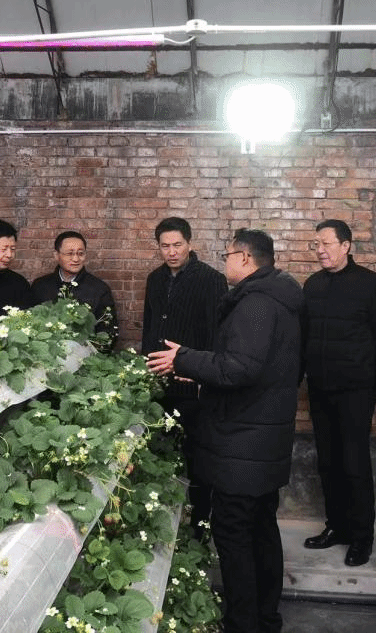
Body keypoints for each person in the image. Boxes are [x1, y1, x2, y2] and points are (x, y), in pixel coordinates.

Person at [146, 228, 303, 633]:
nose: (225, 261)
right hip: (261, 436)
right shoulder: (278, 298)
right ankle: (266, 618)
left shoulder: (256, 304)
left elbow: (240, 367)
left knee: (235, 534)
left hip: (243, 443)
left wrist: (185, 359)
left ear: (246, 258)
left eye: (228, 254)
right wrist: (201, 372)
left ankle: (243, 623)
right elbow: (253, 367)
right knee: (261, 529)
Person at [302, 219, 376, 567]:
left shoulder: (370, 284)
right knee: (327, 462)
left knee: (354, 463)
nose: (320, 250)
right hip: (320, 388)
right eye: (316, 244)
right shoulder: (312, 285)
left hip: (356, 390)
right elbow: (302, 337)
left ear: (346, 246)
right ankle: (336, 527)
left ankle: (361, 537)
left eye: (326, 243)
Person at [141, 216, 228, 532]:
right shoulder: (155, 279)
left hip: (194, 387)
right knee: (161, 455)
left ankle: (201, 526)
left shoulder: (211, 280)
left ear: (190, 243)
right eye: (165, 246)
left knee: (199, 461)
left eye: (177, 244)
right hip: (160, 386)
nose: (172, 251)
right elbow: (150, 328)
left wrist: (203, 375)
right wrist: (147, 369)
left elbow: (217, 335)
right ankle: (163, 526)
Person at [32, 230, 119, 351]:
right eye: (70, 253)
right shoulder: (40, 286)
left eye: (80, 253)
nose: (76, 258)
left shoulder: (99, 289)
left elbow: (108, 333)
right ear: (56, 255)